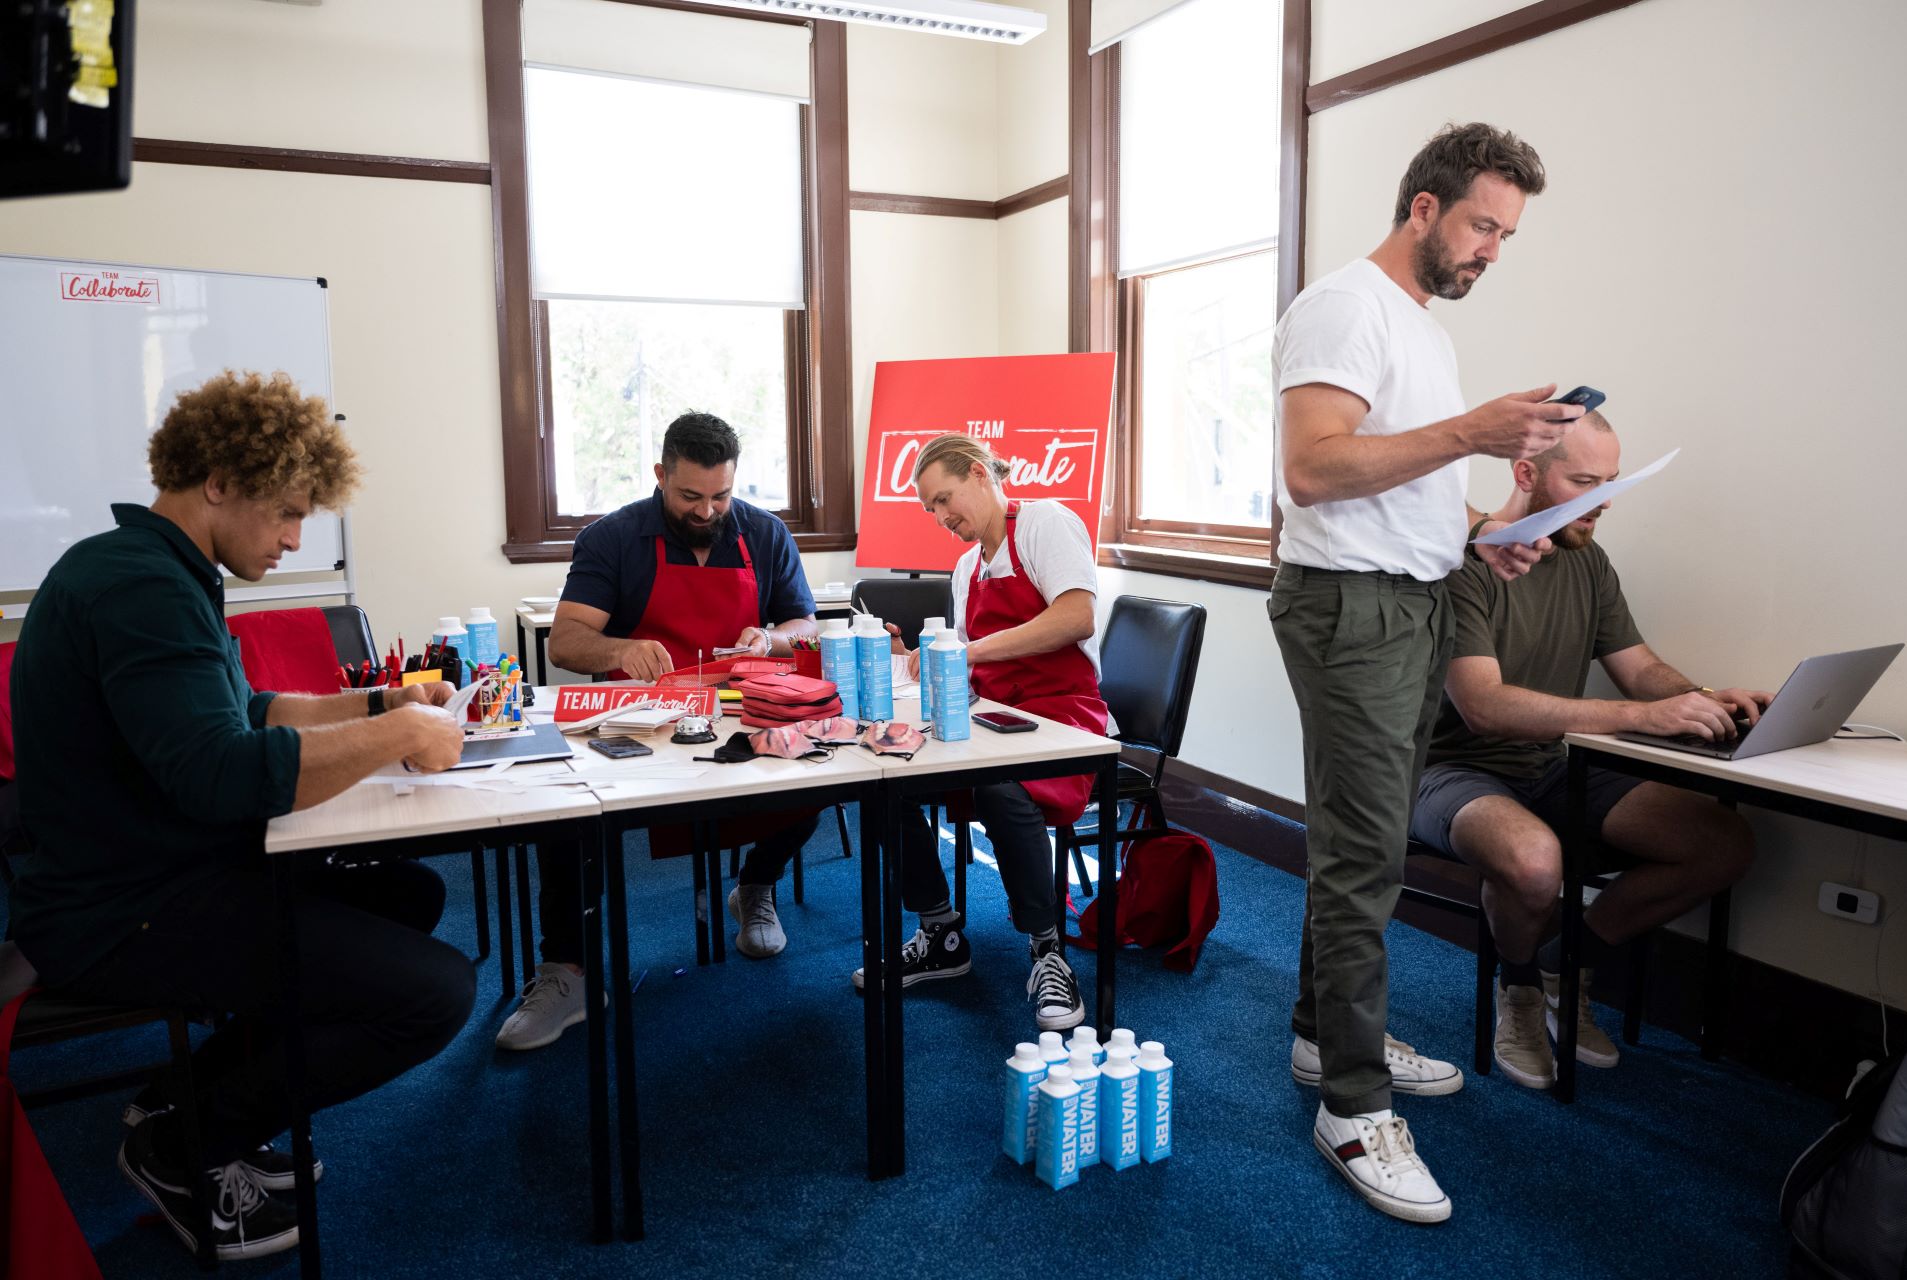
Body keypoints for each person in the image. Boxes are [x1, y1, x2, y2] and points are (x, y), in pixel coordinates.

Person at [6, 370, 476, 1262]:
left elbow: (247, 711)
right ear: (218, 482)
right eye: (287, 513)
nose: (297, 539)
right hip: (121, 909)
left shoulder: (158, 569)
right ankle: (183, 1146)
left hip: (155, 870)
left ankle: (182, 1096)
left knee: (407, 898)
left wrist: (380, 705)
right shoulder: (140, 591)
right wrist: (404, 733)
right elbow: (224, 777)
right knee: (436, 995)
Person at [1270, 122, 1587, 1224]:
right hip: (1350, 610)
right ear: (1423, 208)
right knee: (1361, 856)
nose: (1492, 248)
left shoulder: (1418, 329)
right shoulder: (1344, 306)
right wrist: (1469, 433)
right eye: (1482, 224)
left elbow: (1392, 482)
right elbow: (1313, 470)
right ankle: (1352, 1107)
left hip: (1408, 596)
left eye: (1507, 232)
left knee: (1368, 845)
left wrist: (1474, 535)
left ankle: (1323, 1036)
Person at [1412, 411, 1760, 1089]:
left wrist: (1703, 700)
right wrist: (1642, 716)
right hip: (1445, 772)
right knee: (1535, 862)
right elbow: (1483, 707)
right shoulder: (1463, 564)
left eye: (1613, 482)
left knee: (1724, 844)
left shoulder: (1588, 562)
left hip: (1550, 767)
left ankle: (1564, 965)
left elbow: (1640, 669)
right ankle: (1518, 994)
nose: (1605, 500)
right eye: (1585, 480)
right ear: (1526, 474)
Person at [498, 411, 820, 1050]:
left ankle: (755, 883)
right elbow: (565, 641)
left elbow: (804, 624)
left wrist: (772, 636)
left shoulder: (764, 533)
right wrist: (621, 648)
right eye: (690, 496)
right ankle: (566, 971)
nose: (707, 511)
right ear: (660, 476)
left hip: (734, 711)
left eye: (720, 496)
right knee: (567, 815)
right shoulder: (613, 538)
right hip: (638, 721)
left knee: (818, 771)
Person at [849, 434, 1108, 1032]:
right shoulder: (968, 568)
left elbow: (1076, 616)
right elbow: (975, 668)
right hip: (995, 713)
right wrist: (926, 672)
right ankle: (940, 932)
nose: (942, 518)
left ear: (978, 472)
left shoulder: (1046, 522)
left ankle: (1048, 950)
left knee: (1002, 789)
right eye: (930, 510)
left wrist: (967, 651)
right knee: (892, 779)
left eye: (945, 499)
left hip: (1064, 715)